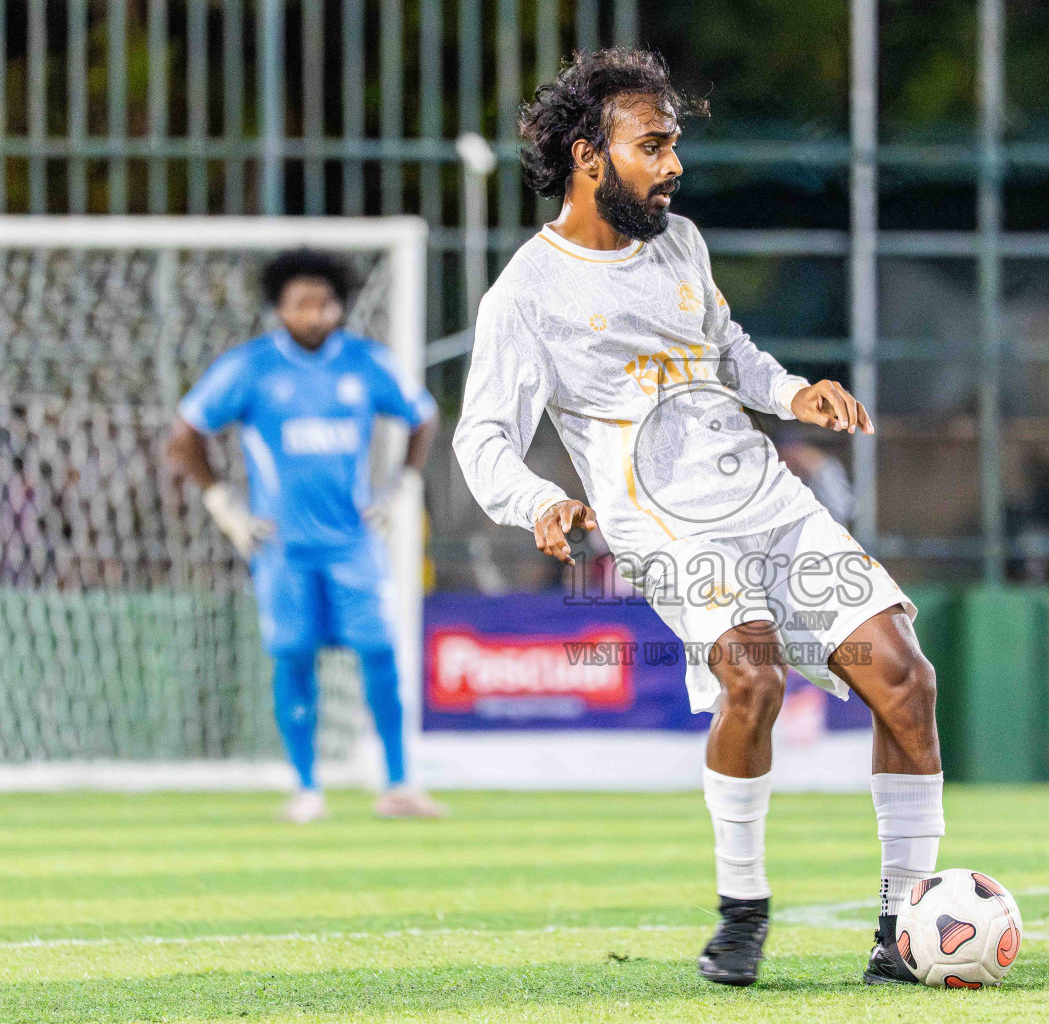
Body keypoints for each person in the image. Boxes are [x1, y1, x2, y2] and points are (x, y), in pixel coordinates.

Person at [453, 48, 942, 988]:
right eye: (655, 144)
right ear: (590, 156)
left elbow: (731, 353)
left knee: (906, 679)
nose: (674, 163)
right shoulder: (526, 292)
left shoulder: (680, 242)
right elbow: (482, 441)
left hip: (765, 498)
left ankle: (903, 929)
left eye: (675, 142)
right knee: (752, 679)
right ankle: (743, 908)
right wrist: (542, 502)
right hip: (662, 521)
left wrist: (797, 395)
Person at [165, 249, 445, 824]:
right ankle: (307, 788)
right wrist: (222, 503)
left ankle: (397, 783)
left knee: (379, 653)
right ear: (279, 309)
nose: (315, 313)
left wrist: (401, 488)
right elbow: (186, 431)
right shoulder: (251, 367)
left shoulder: (367, 364)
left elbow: (423, 416)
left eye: (324, 302)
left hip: (354, 543)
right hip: (281, 547)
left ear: (339, 305)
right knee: (294, 657)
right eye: (301, 303)